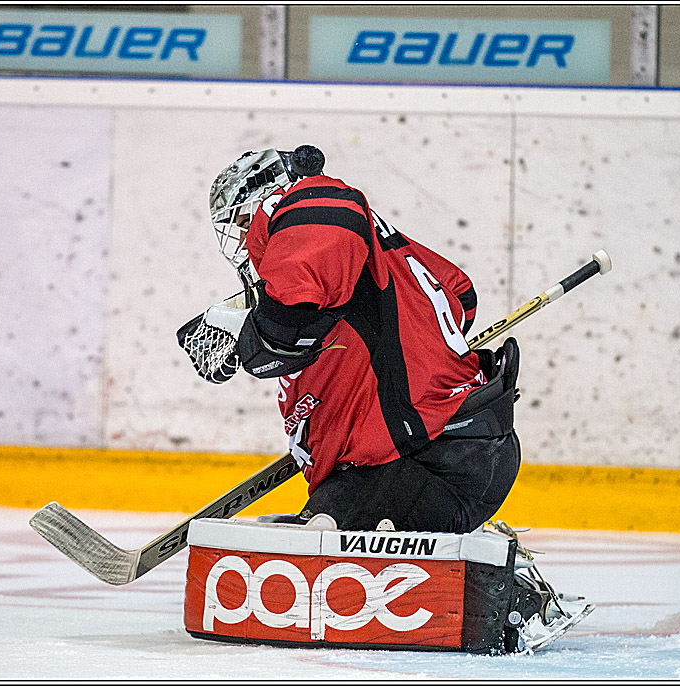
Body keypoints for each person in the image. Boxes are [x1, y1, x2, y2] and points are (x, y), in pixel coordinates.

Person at [177, 145, 522, 534]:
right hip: (453, 449)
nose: (241, 241)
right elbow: (461, 298)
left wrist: (263, 333)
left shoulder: (312, 206)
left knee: (319, 539)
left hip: (425, 458)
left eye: (242, 222)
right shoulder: (377, 253)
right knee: (323, 517)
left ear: (272, 197)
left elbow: (326, 214)